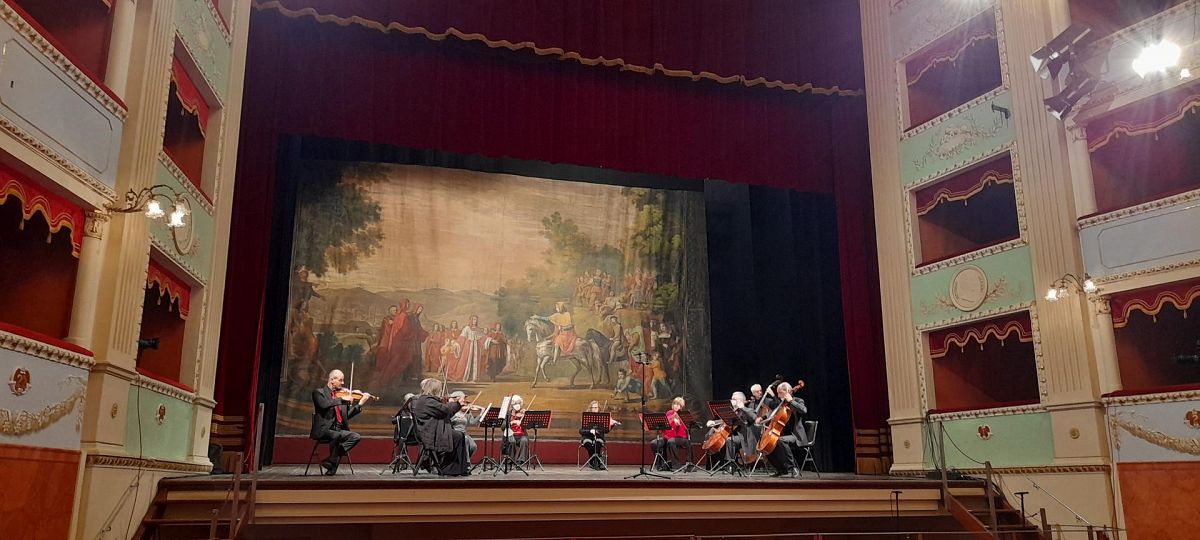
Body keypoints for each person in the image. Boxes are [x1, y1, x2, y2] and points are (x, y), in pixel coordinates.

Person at [311, 369, 371, 475]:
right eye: (340, 380)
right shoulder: (319, 393)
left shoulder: (341, 395)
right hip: (324, 429)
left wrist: (360, 404)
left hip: (338, 429)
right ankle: (332, 463)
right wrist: (342, 400)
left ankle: (331, 459)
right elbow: (323, 405)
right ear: (332, 380)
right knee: (337, 436)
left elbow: (346, 416)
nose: (343, 383)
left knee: (355, 436)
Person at [410, 378, 471, 476]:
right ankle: (451, 468)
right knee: (458, 437)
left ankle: (455, 468)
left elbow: (444, 413)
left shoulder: (425, 400)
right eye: (439, 388)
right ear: (434, 389)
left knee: (458, 435)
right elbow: (444, 409)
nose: (440, 391)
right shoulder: (428, 401)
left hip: (431, 430)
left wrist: (455, 405)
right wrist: (458, 403)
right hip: (430, 434)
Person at [759, 382, 808, 478]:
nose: (778, 395)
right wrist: (763, 417)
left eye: (779, 393)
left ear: (787, 392)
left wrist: (791, 401)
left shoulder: (798, 400)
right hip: (782, 433)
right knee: (766, 446)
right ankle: (781, 469)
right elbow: (772, 415)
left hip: (795, 436)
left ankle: (792, 467)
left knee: (781, 440)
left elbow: (804, 410)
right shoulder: (782, 404)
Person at [704, 392, 758, 466]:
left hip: (744, 437)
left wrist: (743, 407)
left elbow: (753, 417)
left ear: (740, 400)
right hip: (734, 434)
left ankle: (729, 464)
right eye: (732, 399)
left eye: (734, 399)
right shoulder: (734, 411)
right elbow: (724, 420)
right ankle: (714, 465)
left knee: (729, 440)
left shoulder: (748, 410)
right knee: (711, 434)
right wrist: (714, 422)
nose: (731, 401)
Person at [579, 400, 620, 470]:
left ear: (599, 408)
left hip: (599, 437)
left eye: (596, 407)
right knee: (588, 443)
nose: (594, 409)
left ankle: (594, 462)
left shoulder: (602, 418)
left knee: (597, 443)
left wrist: (612, 425)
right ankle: (594, 461)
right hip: (587, 437)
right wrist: (590, 431)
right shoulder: (586, 417)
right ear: (590, 408)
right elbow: (581, 431)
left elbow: (606, 431)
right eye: (593, 407)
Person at [651, 397, 689, 471]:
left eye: (678, 404)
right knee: (654, 443)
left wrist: (679, 424)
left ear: (681, 407)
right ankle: (662, 464)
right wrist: (671, 419)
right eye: (674, 404)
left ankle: (676, 465)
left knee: (671, 441)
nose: (676, 406)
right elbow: (664, 424)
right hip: (667, 437)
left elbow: (684, 430)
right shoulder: (669, 413)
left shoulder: (683, 415)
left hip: (680, 438)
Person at [448, 390, 483, 458]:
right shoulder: (452, 409)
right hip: (454, 432)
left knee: (473, 446)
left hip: (464, 433)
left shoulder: (467, 412)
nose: (464, 403)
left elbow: (473, 422)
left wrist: (481, 414)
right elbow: (448, 421)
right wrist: (456, 418)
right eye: (462, 399)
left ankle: (465, 459)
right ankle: (466, 463)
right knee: (465, 442)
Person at [503, 394, 530, 463]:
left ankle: (520, 460)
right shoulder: (508, 414)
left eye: (519, 403)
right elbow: (502, 427)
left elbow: (528, 426)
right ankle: (510, 460)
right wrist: (511, 423)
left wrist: (522, 422)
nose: (518, 405)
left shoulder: (523, 413)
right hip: (510, 435)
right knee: (512, 441)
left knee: (524, 440)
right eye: (516, 403)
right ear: (512, 404)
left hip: (521, 435)